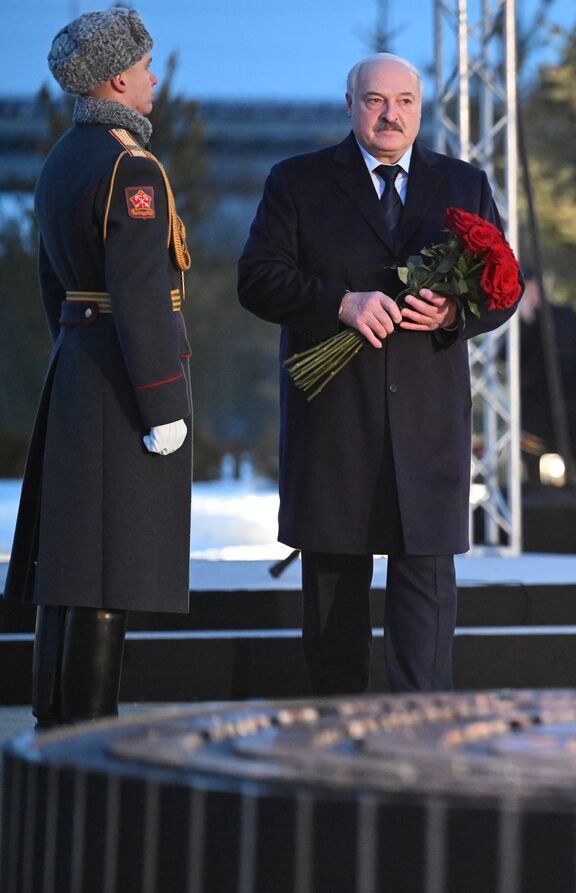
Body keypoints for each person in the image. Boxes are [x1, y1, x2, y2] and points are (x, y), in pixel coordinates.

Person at [238, 54, 517, 694]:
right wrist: (340, 303)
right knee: (334, 611)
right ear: (349, 104)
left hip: (427, 429)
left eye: (405, 101)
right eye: (375, 100)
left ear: (421, 108)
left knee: (425, 616)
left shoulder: (463, 184)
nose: (391, 114)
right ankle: (338, 754)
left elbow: (503, 288)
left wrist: (454, 311)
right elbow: (256, 280)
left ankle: (420, 749)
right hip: (335, 427)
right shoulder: (297, 182)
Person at [4, 8, 193, 727]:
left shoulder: (65, 157)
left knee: (73, 568)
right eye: (145, 64)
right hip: (123, 380)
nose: (153, 76)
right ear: (117, 77)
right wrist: (164, 405)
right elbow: (143, 296)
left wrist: (75, 349)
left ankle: (55, 723)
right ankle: (88, 733)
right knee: (108, 570)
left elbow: (55, 283)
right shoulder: (129, 165)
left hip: (79, 365)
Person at [516, 270, 576, 480]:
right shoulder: (519, 321)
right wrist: (525, 322)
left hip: (568, 401)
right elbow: (508, 357)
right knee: (532, 459)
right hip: (533, 406)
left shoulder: (566, 316)